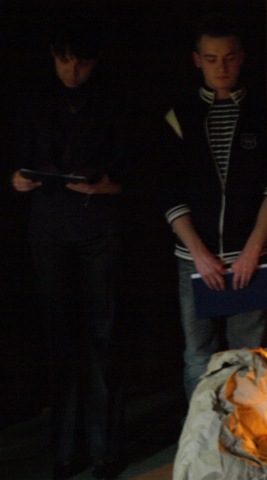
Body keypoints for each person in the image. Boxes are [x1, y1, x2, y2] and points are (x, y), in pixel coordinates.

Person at [10, 20, 126, 480]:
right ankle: (65, 449)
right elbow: (17, 161)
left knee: (103, 336)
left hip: (99, 228)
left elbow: (132, 166)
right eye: (64, 61)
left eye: (81, 63)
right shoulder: (34, 99)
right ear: (53, 57)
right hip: (50, 229)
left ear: (94, 62)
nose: (72, 70)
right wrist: (16, 179)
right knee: (60, 338)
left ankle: (103, 450)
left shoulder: (111, 100)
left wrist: (108, 184)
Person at [159, 15, 267, 402]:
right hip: (194, 259)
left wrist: (252, 250)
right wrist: (199, 254)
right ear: (197, 60)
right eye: (212, 59)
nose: (221, 67)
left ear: (242, 57)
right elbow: (170, 193)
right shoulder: (180, 117)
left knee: (248, 355)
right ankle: (201, 430)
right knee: (198, 355)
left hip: (249, 257)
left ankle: (243, 427)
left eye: (229, 58)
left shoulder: (266, 116)